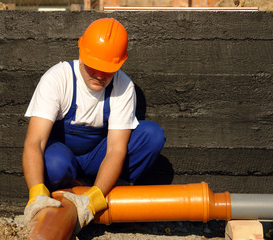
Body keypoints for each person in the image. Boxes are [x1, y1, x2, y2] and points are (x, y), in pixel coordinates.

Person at [22, 18, 166, 230]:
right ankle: (68, 192)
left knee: (151, 136)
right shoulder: (58, 79)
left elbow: (116, 149)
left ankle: (110, 191)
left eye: (107, 69)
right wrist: (36, 192)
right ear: (82, 53)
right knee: (55, 165)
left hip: (99, 156)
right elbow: (34, 142)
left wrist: (94, 198)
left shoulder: (123, 86)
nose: (99, 75)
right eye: (94, 67)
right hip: (64, 156)